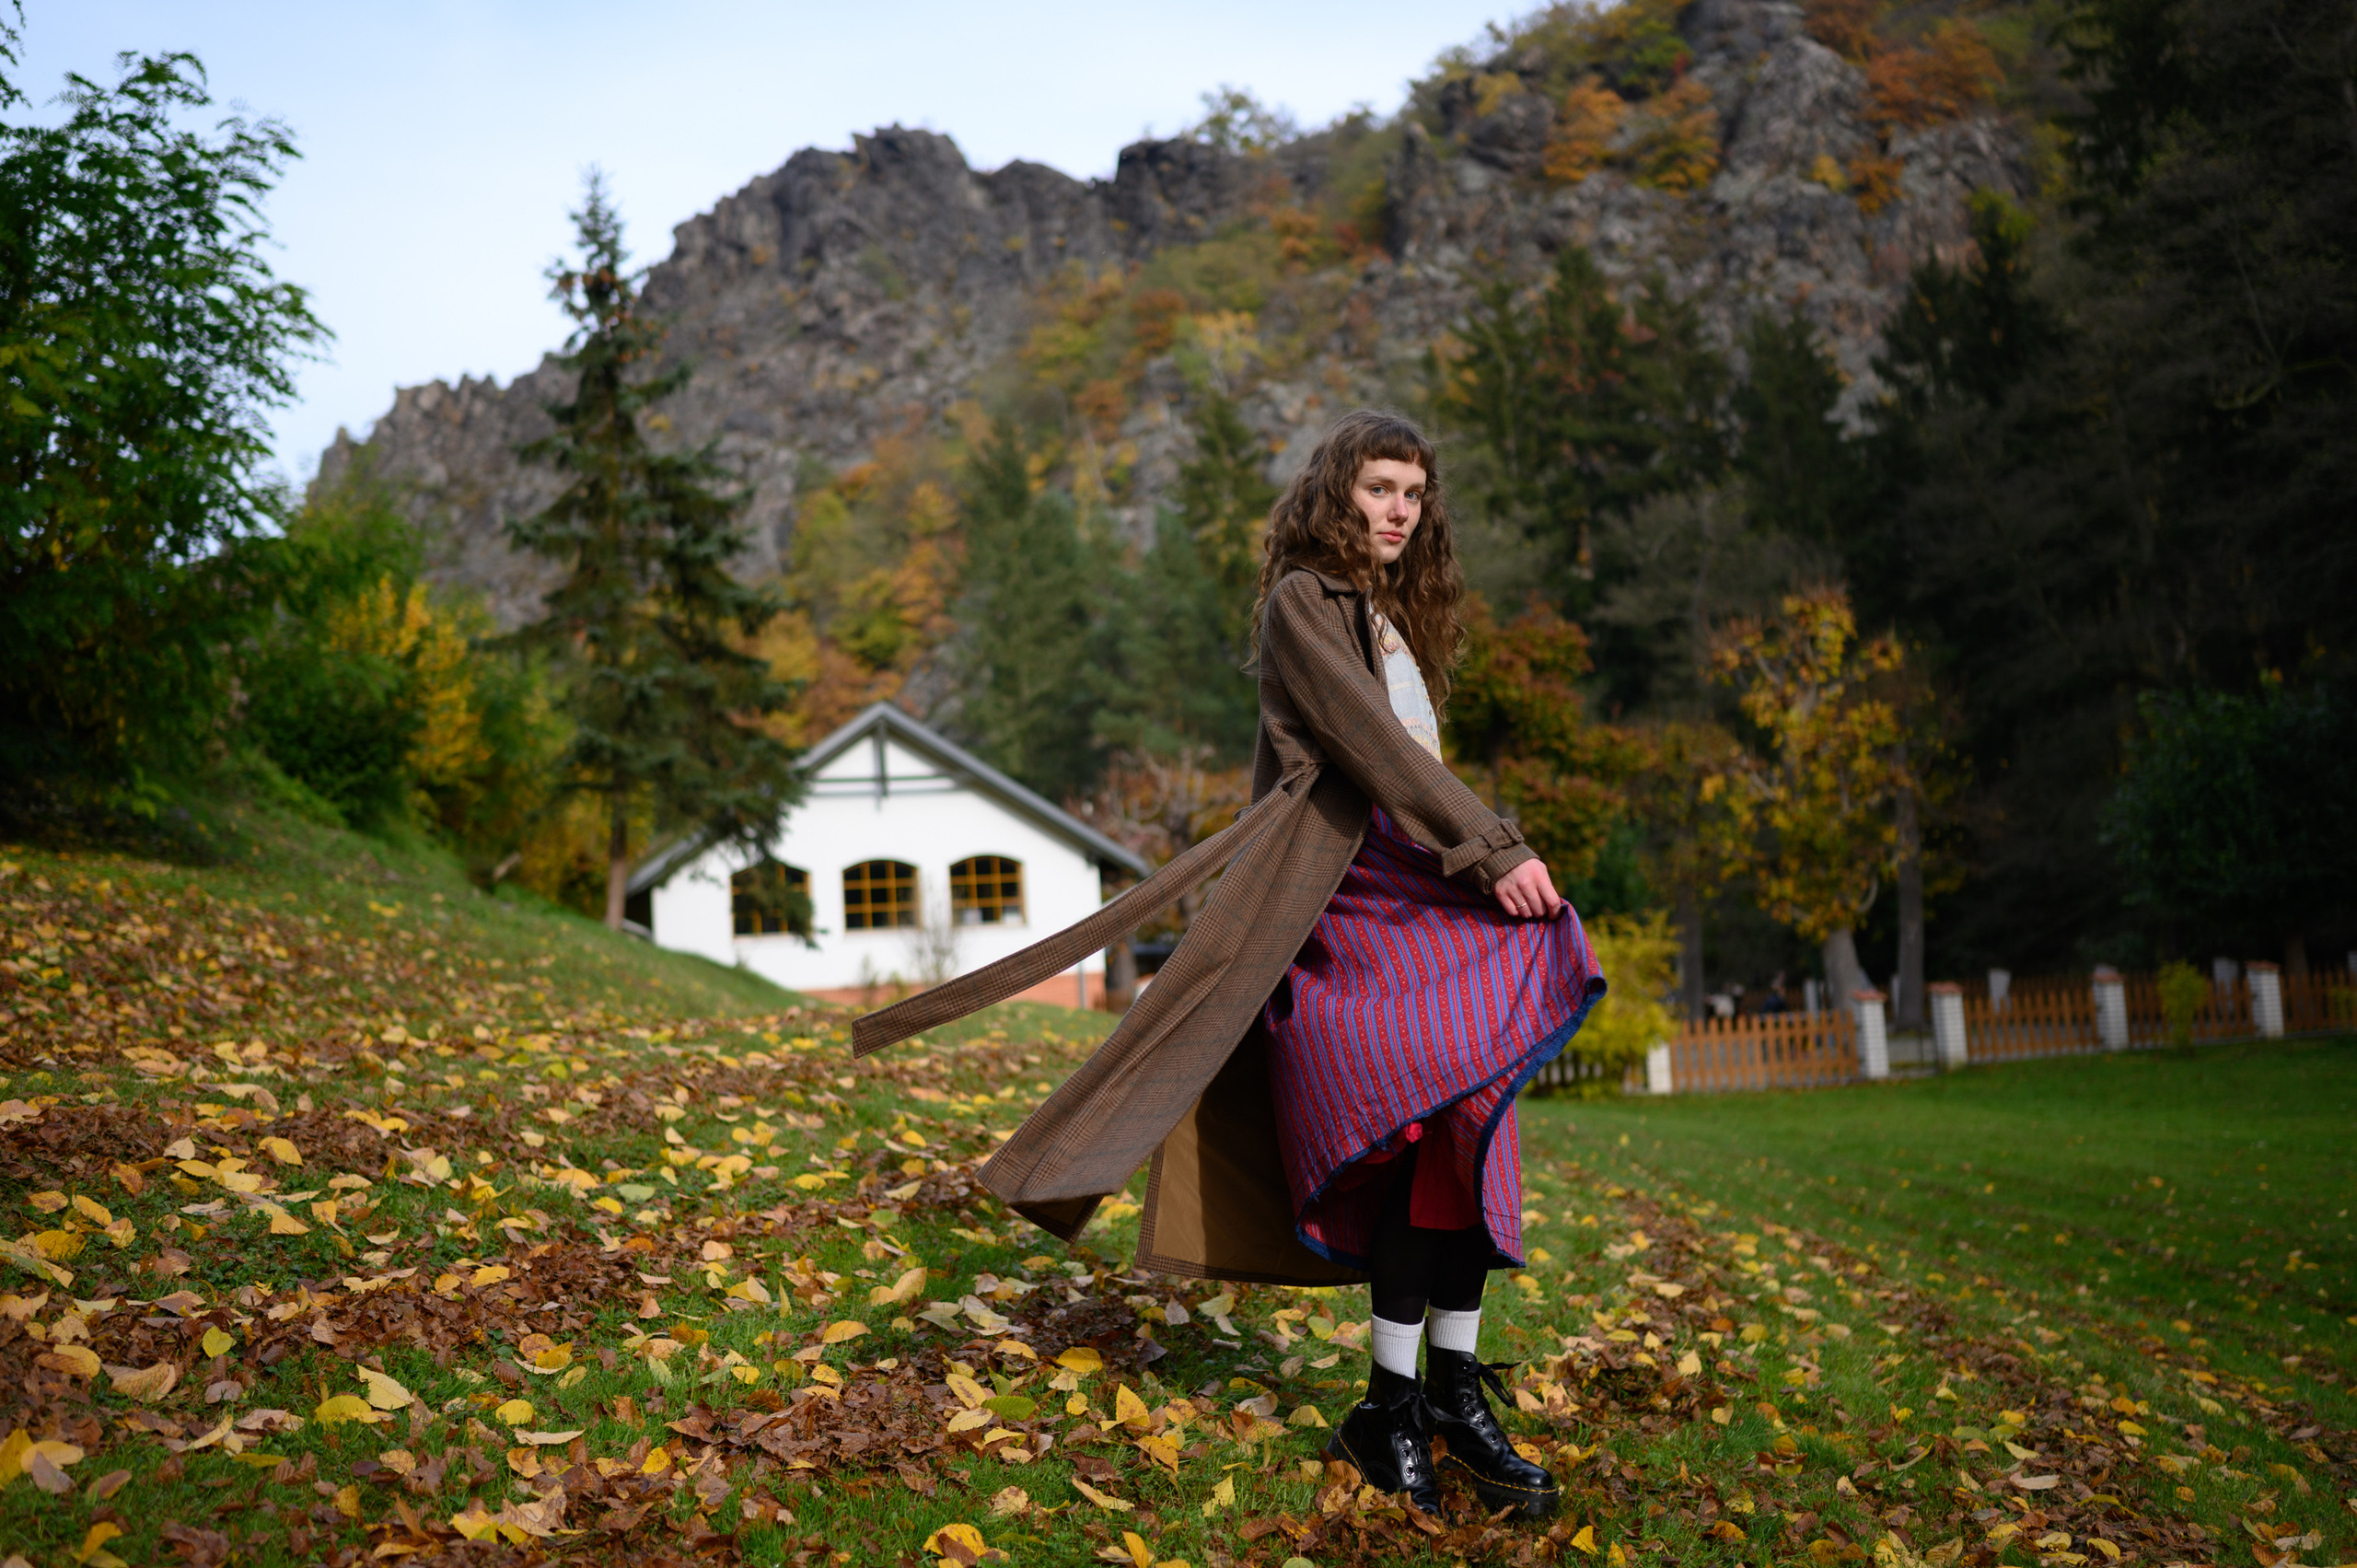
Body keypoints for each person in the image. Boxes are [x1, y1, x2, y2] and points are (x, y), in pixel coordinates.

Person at [852, 410, 1605, 1520]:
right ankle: (1390, 1407)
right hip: (1351, 896)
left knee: (1470, 1119)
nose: (1398, 509)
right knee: (1417, 1121)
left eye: (1413, 493)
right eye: (1379, 488)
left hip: (1419, 887)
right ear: (1334, 493)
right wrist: (1494, 845)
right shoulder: (1304, 600)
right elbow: (1377, 753)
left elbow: (1411, 761)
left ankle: (1449, 1391)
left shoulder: (1390, 617)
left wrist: (1473, 854)